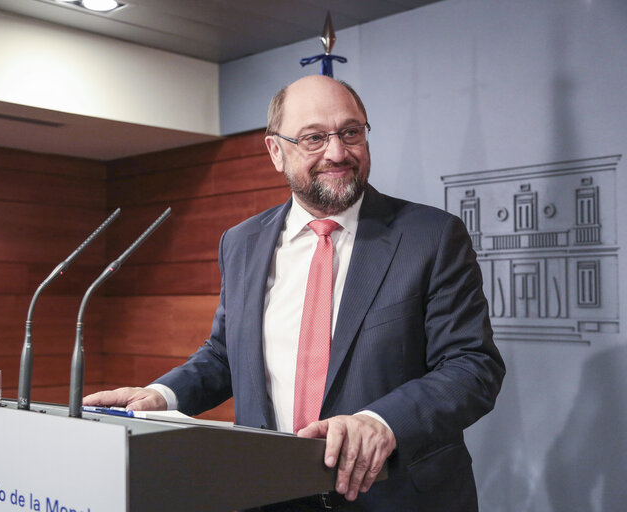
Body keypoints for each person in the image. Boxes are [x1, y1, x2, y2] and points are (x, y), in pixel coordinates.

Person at [84, 75, 505, 511]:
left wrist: (381, 422)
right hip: (271, 494)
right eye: (314, 138)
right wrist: (161, 397)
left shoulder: (430, 236)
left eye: (351, 132)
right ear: (275, 151)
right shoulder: (242, 242)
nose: (338, 153)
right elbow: (226, 354)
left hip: (396, 496)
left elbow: (472, 366)